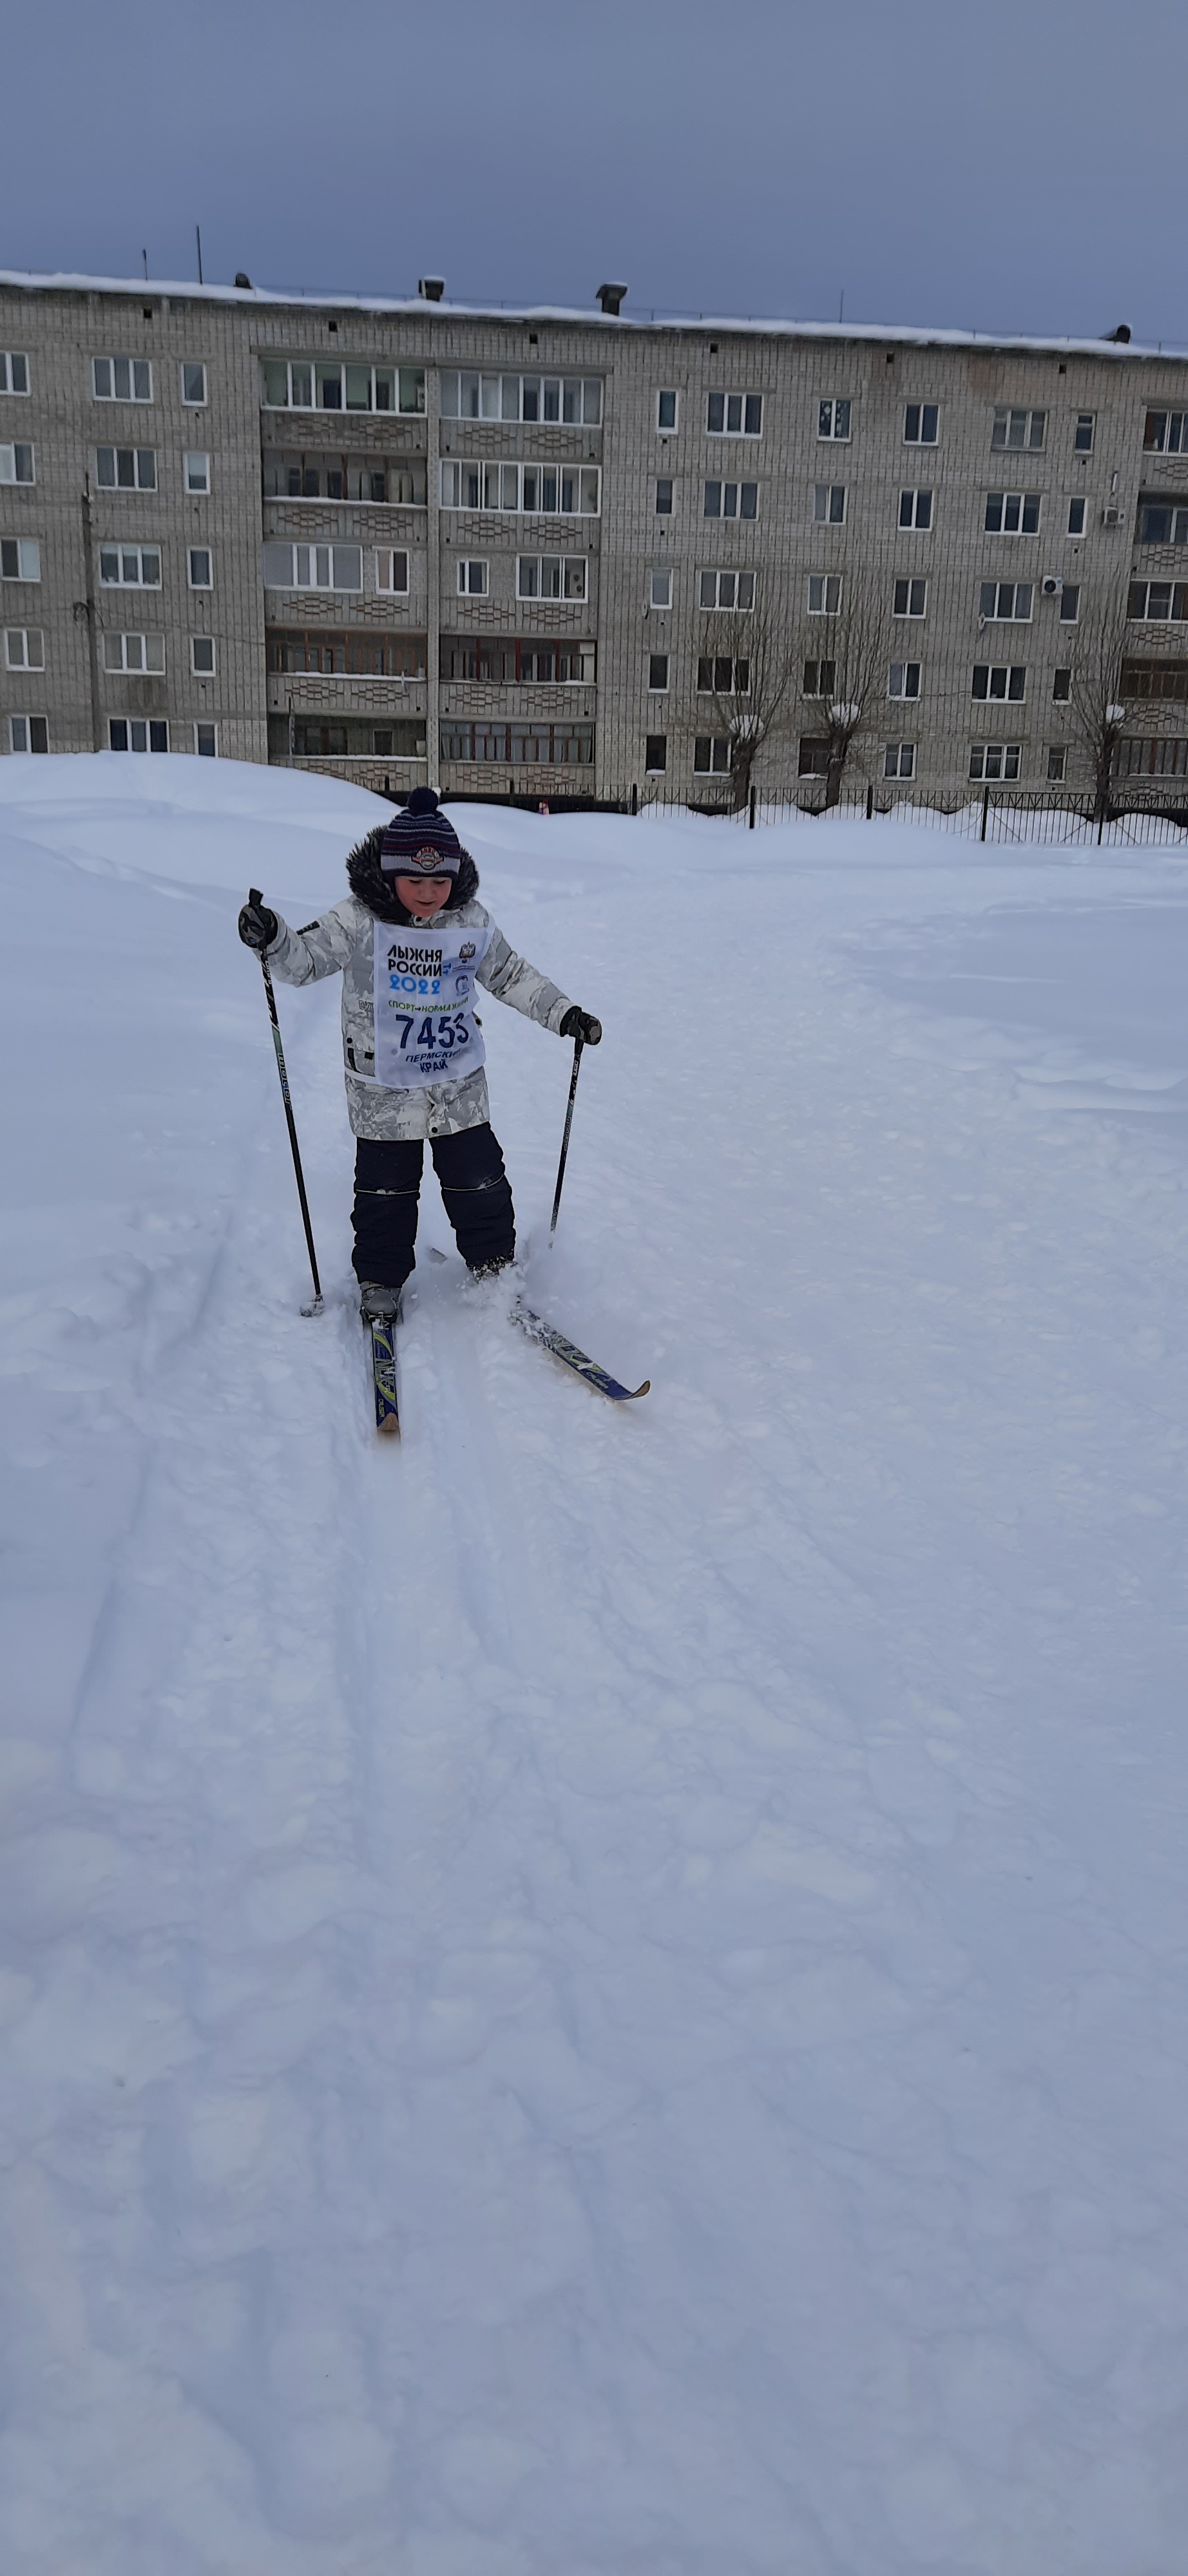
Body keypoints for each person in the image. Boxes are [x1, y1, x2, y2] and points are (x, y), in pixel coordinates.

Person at [238, 788, 600, 1321]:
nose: (428, 892)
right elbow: (305, 961)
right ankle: (380, 1280)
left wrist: (564, 1013)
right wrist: (272, 938)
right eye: (415, 880)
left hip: (458, 1086)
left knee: (481, 1183)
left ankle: (495, 1268)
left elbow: (509, 974)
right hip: (383, 1092)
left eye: (439, 880)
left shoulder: (469, 920)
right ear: (390, 875)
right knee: (385, 1194)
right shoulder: (359, 920)